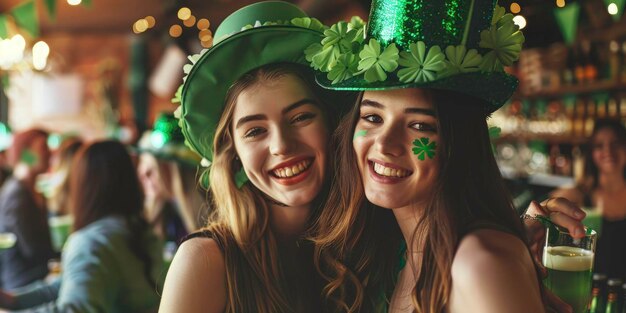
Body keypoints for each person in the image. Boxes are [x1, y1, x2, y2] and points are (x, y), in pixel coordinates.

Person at [306, 1, 583, 312]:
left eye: (420, 125)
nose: (385, 144)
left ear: (458, 142)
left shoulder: (479, 263)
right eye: (373, 117)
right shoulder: (398, 251)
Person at [158, 2, 342, 312]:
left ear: (332, 123)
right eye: (255, 131)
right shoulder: (205, 260)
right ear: (234, 154)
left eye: (300, 117)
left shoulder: (362, 247)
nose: (281, 146)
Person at [0, 140, 162, 312]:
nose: (50, 154)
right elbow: (72, 282)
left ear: (84, 183)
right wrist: (12, 301)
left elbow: (76, 306)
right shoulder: (140, 229)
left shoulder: (93, 242)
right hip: (25, 277)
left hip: (32, 275)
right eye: (44, 148)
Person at [552, 118, 626, 281]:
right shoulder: (577, 195)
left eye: (615, 144)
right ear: (591, 153)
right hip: (589, 291)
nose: (608, 151)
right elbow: (537, 214)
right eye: (599, 146)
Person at [136, 112, 205, 244]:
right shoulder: (158, 217)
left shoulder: (206, 216)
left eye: (153, 168)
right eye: (141, 163)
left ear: (176, 170)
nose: (142, 174)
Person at [0, 129, 54, 290]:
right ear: (26, 154)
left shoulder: (32, 190)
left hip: (38, 277)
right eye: (44, 148)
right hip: (23, 285)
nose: (49, 154)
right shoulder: (16, 194)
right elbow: (32, 250)